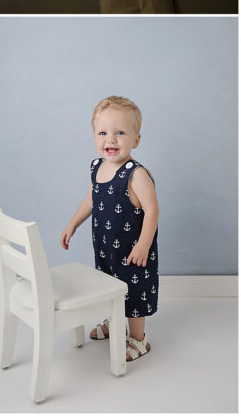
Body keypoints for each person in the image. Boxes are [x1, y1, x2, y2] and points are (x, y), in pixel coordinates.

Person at [61, 96, 158, 362]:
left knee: (133, 292)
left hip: (132, 250)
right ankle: (111, 321)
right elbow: (91, 198)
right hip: (105, 245)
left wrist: (143, 245)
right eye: (103, 132)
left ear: (136, 140)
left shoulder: (136, 174)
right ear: (94, 136)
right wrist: (73, 223)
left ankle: (139, 339)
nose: (110, 139)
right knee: (106, 283)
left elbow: (152, 210)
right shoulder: (97, 167)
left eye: (120, 133)